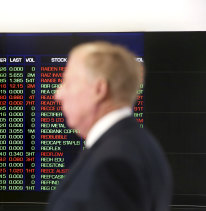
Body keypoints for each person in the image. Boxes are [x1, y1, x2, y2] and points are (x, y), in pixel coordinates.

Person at [47, 41, 172, 211]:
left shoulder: (113, 162)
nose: (58, 94)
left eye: (67, 82)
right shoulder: (141, 145)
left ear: (99, 89)